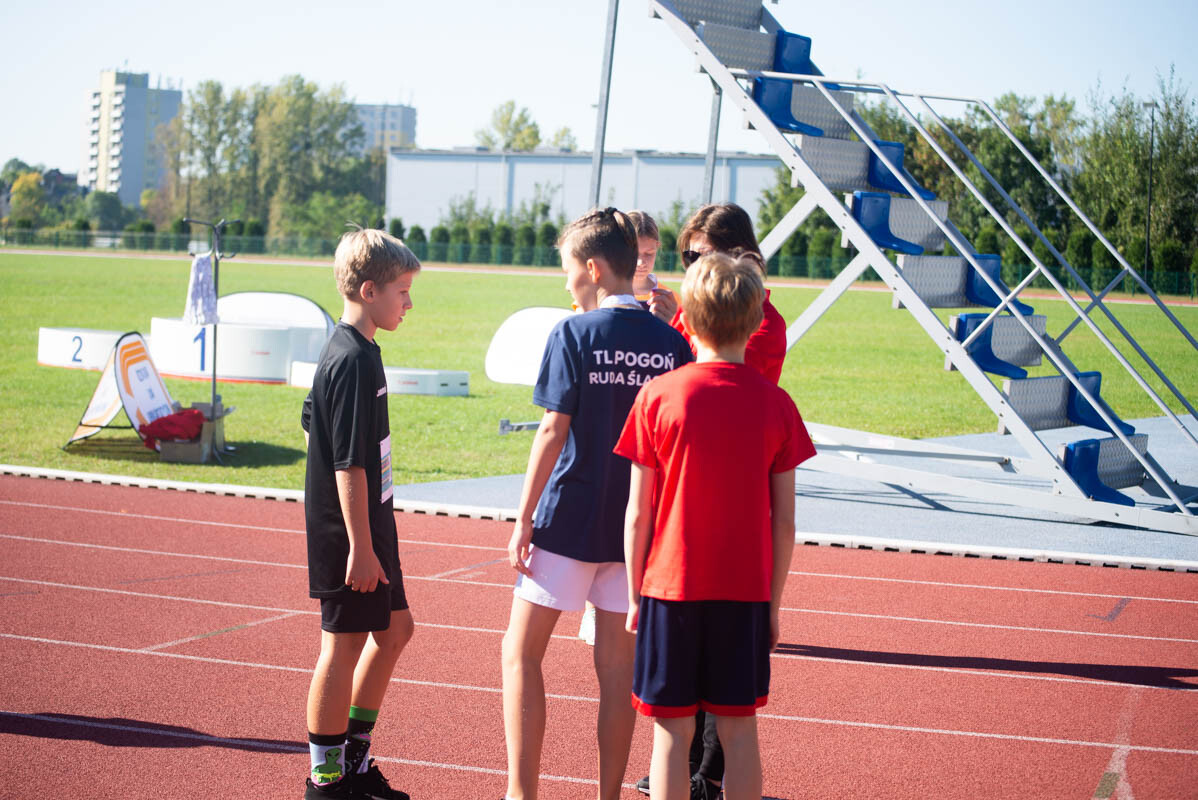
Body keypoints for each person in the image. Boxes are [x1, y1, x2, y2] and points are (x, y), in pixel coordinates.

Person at [501, 207, 694, 800]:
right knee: (616, 672)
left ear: (592, 267)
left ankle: (520, 793)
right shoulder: (670, 341)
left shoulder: (572, 332)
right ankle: (608, 795)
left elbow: (551, 431)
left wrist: (523, 517)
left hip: (570, 516)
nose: (565, 284)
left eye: (568, 271)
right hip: (638, 528)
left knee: (519, 654)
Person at [615, 251, 816, 800]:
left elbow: (638, 513)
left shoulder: (656, 397)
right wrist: (773, 605)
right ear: (754, 323)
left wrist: (634, 596)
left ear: (687, 319)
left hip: (669, 589)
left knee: (670, 732)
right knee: (740, 728)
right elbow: (785, 523)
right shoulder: (776, 404)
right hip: (744, 592)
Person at [300, 228, 420, 800]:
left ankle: (353, 759)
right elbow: (347, 463)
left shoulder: (358, 350)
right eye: (402, 290)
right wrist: (360, 544)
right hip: (352, 531)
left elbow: (310, 420)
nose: (409, 302)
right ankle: (325, 782)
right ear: (369, 290)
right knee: (342, 645)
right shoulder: (350, 358)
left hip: (373, 523)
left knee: (396, 630)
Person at [652, 203, 788, 386]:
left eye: (707, 256)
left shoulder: (765, 323)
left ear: (740, 256)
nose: (697, 267)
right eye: (691, 257)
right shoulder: (685, 311)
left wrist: (666, 337)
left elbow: (721, 380)